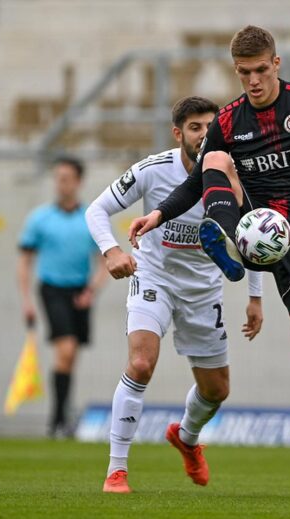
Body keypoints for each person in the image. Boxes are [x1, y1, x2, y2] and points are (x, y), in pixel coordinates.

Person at [128, 25, 290, 500]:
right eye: (244, 73)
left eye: (261, 71)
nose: (254, 81)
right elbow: (194, 184)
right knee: (215, 162)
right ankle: (225, 237)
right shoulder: (227, 119)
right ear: (236, 71)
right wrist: (158, 214)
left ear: (276, 64)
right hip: (254, 224)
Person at [85, 96, 264, 494]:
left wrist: (256, 297)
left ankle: (186, 437)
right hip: (154, 278)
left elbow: (253, 235)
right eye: (196, 127)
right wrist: (112, 251)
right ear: (178, 132)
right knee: (141, 363)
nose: (204, 135)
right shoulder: (152, 170)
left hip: (204, 291)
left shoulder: (232, 174)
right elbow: (96, 210)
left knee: (217, 390)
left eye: (210, 127)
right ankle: (117, 471)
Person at [17, 156, 107, 438]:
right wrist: (26, 300)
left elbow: (105, 260)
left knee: (70, 357)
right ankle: (56, 420)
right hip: (51, 289)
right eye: (58, 178)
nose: (61, 184)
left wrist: (91, 290)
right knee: (65, 350)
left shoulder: (91, 218)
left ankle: (63, 415)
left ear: (78, 182)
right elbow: (25, 261)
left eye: (67, 179)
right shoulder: (40, 218)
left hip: (80, 291)